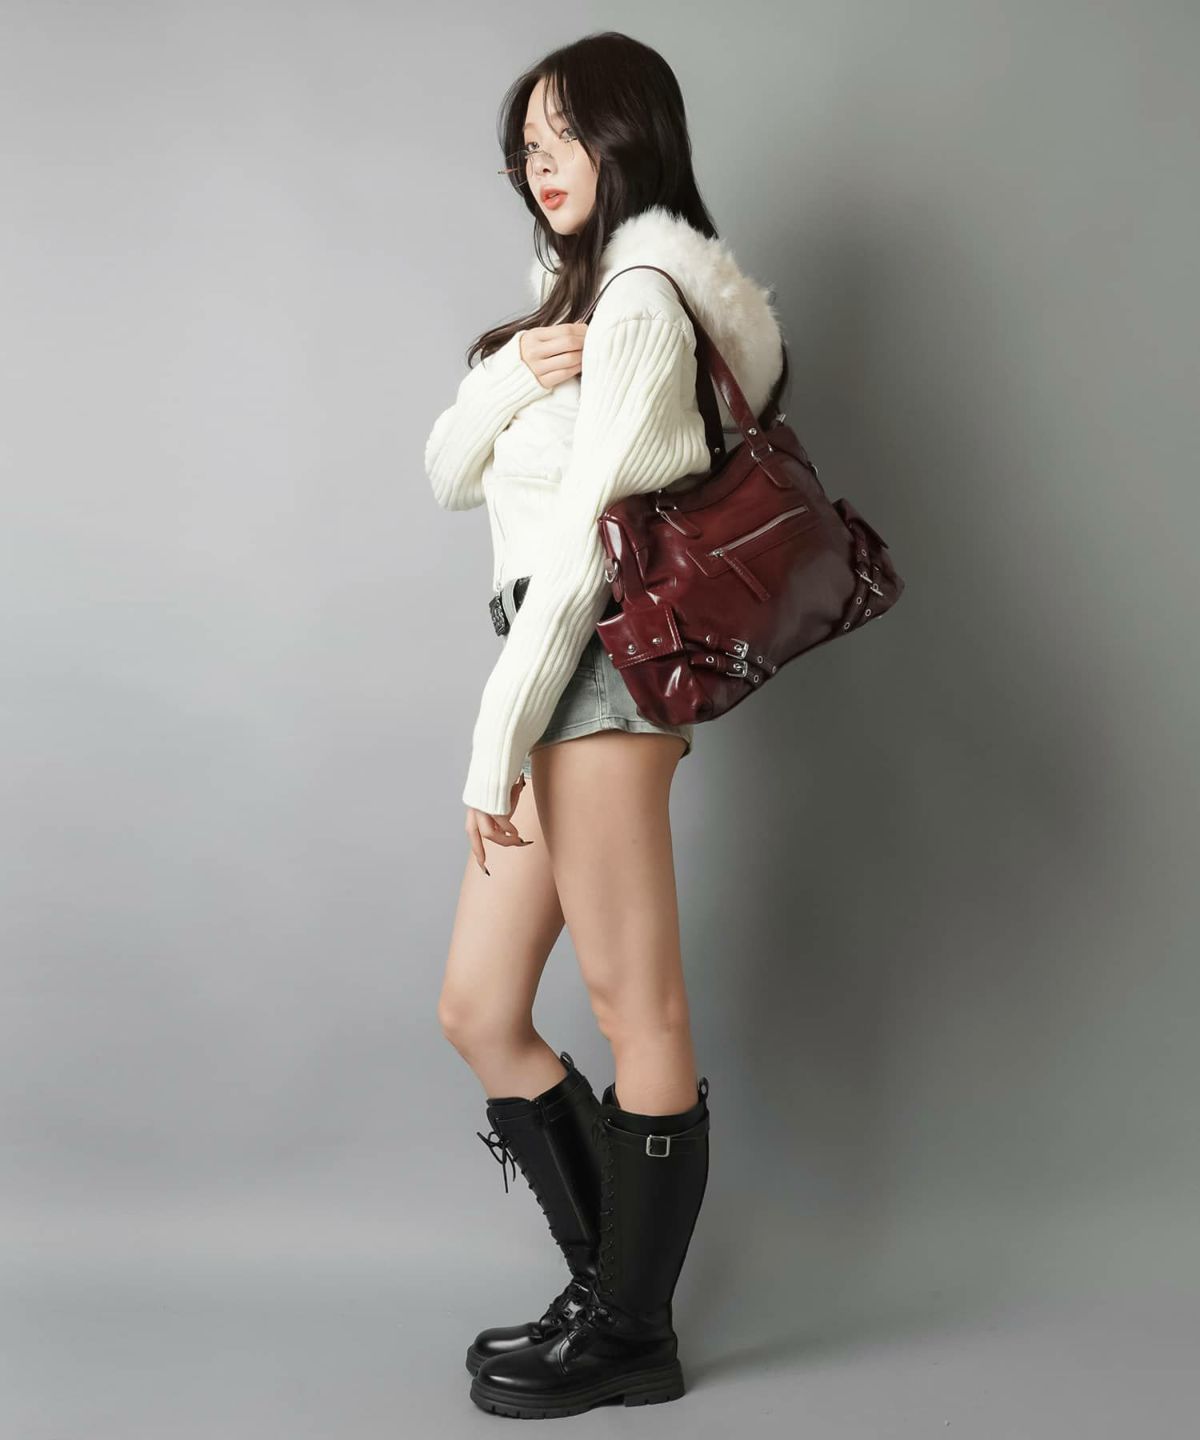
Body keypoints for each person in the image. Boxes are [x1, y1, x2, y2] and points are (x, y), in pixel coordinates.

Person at [423, 31, 785, 1420]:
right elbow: (449, 471)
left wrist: (492, 744)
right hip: (545, 666)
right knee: (478, 1007)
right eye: (526, 144)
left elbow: (584, 559)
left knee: (641, 1005)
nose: (542, 163)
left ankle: (630, 1333)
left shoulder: (640, 302)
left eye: (567, 134)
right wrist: (513, 374)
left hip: (595, 676)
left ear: (632, 134)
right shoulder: (564, 306)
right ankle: (612, 1299)